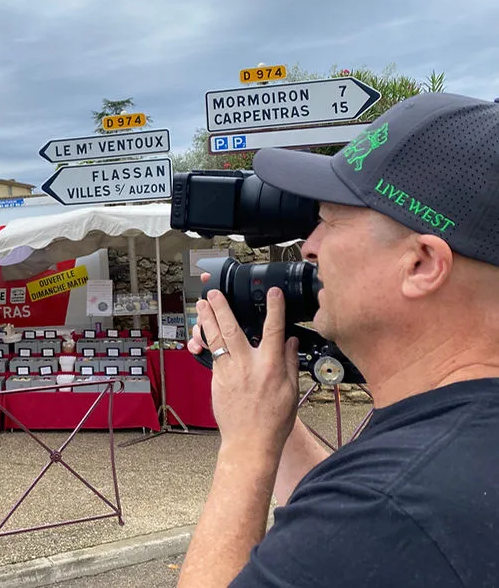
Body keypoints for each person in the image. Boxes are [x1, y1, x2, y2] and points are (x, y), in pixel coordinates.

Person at [178, 92, 499, 587]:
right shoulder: (446, 454)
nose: (309, 247)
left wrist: (247, 448)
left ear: (421, 264)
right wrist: (270, 417)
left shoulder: (387, 510)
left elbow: (372, 514)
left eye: (329, 221)